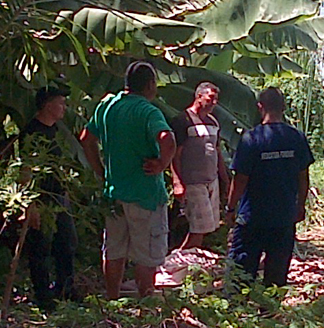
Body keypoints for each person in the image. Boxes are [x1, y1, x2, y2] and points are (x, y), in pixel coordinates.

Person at [80, 61, 176, 298]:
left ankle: (112, 299)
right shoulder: (147, 111)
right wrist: (162, 164)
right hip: (145, 194)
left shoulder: (107, 106)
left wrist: (100, 170)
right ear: (150, 85)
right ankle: (146, 305)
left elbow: (86, 138)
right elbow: (167, 138)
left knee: (114, 251)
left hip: (115, 193)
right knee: (146, 255)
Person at [225, 87, 314, 287]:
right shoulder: (296, 137)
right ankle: (270, 312)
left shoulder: (251, 139)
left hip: (252, 218)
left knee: (241, 273)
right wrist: (300, 206)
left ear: (260, 107)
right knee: (277, 273)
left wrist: (230, 208)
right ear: (283, 107)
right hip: (283, 216)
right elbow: (303, 177)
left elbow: (240, 179)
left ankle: (237, 313)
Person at [20, 85, 78, 306]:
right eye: (60, 102)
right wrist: (29, 203)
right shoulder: (32, 132)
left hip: (58, 195)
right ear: (47, 105)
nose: (64, 107)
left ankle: (65, 289)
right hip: (41, 196)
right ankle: (43, 296)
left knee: (67, 243)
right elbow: (25, 168)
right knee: (40, 247)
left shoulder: (56, 130)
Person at [170, 82, 229, 249]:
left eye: (216, 99)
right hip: (192, 182)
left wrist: (224, 178)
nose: (214, 103)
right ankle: (177, 261)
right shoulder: (183, 121)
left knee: (206, 227)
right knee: (199, 228)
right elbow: (175, 154)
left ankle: (189, 263)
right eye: (210, 98)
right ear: (199, 96)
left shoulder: (213, 123)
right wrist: (177, 181)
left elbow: (217, 152)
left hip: (211, 181)